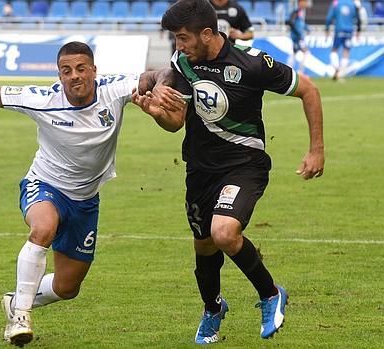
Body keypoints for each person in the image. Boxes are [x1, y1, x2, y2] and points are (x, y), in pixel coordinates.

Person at [0, 41, 184, 346]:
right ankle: (20, 316)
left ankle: (16, 298)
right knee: (43, 228)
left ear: (94, 71)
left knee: (67, 287)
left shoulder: (114, 89)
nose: (74, 76)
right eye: (66, 71)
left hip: (85, 200)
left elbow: (162, 73)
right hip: (45, 185)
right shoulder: (43, 99)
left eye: (81, 68)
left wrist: (162, 88)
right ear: (59, 76)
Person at [135, 0, 324, 344]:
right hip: (199, 170)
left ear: (206, 34)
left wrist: (316, 150)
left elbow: (308, 90)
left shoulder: (251, 62)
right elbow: (175, 123)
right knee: (205, 245)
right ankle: (212, 309)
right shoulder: (183, 63)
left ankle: (270, 294)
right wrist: (155, 112)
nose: (178, 46)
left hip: (244, 165)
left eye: (182, 38)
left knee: (223, 233)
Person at [325, 0, 362, 80]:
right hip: (349, 31)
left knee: (334, 50)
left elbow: (329, 18)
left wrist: (327, 29)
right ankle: (340, 74)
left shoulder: (336, 3)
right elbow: (358, 19)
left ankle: (336, 69)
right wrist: (358, 32)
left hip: (339, 30)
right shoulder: (353, 4)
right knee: (346, 52)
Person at [287, 0, 310, 74]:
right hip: (297, 37)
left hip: (298, 37)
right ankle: (300, 72)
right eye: (305, 2)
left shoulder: (300, 12)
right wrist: (298, 33)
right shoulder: (296, 12)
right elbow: (290, 22)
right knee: (306, 52)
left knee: (294, 53)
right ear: (300, 2)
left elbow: (300, 23)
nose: (306, 3)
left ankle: (288, 71)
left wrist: (307, 28)